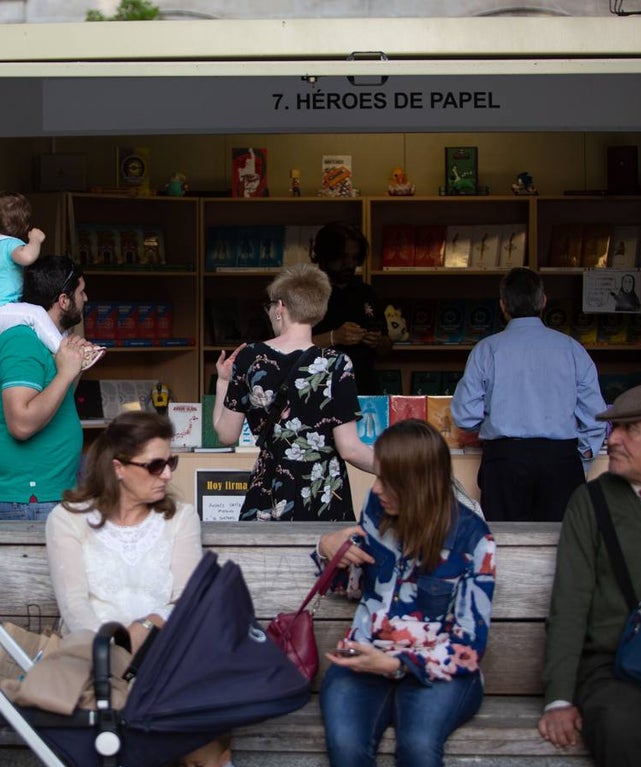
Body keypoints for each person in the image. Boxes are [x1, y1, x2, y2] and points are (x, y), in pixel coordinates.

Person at [316, 419, 496, 767]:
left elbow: (469, 647)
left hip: (437, 671)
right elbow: (353, 587)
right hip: (367, 656)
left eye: (388, 480)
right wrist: (328, 548)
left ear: (419, 483)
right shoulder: (378, 508)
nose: (377, 487)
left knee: (418, 747)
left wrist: (397, 664)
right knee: (346, 747)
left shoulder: (473, 539)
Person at [537, 382, 641, 765]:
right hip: (615, 668)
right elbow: (570, 602)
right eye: (612, 429)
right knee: (620, 723)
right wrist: (559, 697)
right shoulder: (592, 501)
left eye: (629, 429)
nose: (613, 440)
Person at [212, 263, 375, 522]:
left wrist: (223, 381)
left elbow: (226, 434)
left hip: (269, 488)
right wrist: (399, 469)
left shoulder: (250, 358)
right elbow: (350, 449)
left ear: (280, 307)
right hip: (323, 492)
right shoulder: (336, 363)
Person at [451, 267, 607, 522]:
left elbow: (465, 417)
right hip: (561, 461)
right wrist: (583, 457)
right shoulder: (572, 349)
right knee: (562, 547)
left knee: (506, 547)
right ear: (544, 302)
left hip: (504, 461)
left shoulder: (486, 350)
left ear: (503, 305)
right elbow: (596, 415)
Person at [45, 410, 203, 653]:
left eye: (171, 462)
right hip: (91, 659)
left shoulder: (181, 518)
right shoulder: (68, 519)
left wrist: (146, 627)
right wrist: (112, 653)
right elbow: (74, 608)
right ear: (118, 468)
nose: (168, 475)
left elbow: (188, 600)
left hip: (161, 655)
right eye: (156, 465)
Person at [0, 255, 91, 521]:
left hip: (49, 494)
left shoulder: (48, 342)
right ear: (63, 301)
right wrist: (65, 374)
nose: (86, 299)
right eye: (81, 291)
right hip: (30, 501)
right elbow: (22, 424)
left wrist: (76, 366)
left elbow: (54, 402)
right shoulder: (22, 341)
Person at [0, 191, 104, 368]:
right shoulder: (9, 244)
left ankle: (66, 348)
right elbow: (27, 257)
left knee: (38, 323)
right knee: (36, 313)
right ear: (23, 227)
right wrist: (35, 240)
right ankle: (66, 355)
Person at [310, 222, 392, 395]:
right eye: (342, 257)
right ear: (324, 256)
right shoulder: (304, 292)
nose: (349, 264)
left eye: (355, 258)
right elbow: (286, 347)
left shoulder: (366, 292)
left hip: (363, 389)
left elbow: (386, 346)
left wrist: (378, 342)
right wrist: (334, 337)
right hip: (318, 390)